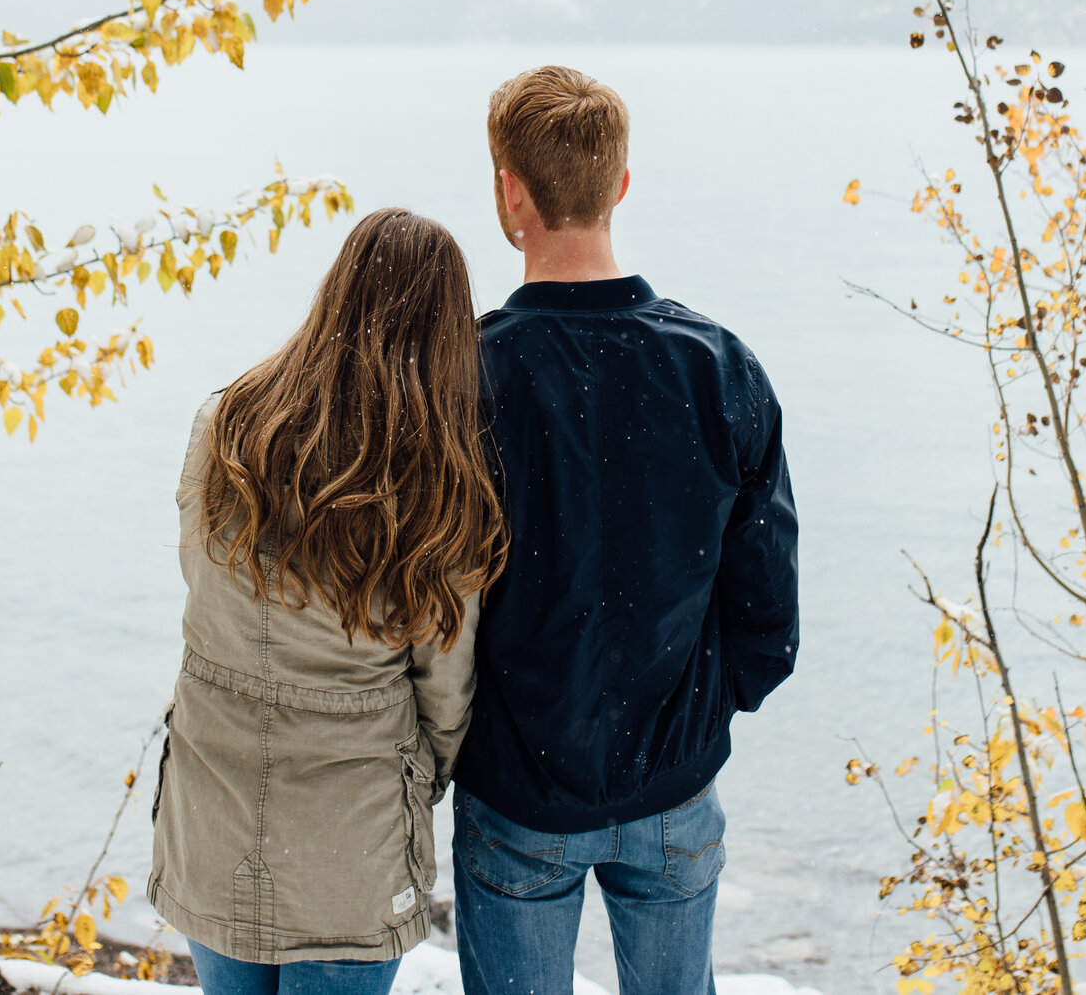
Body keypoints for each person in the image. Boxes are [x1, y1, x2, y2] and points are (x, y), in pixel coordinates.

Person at [453, 65, 799, 995]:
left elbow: (429, 597)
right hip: (674, 787)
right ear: (621, 185)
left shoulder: (465, 376)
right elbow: (769, 619)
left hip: (519, 787)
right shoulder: (720, 367)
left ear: (508, 192)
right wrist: (695, 714)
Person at [148, 208, 505, 995]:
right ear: (445, 331)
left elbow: (198, 580)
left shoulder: (227, 424)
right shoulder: (441, 480)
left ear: (336, 294)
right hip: (353, 825)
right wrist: (424, 773)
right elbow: (445, 685)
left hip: (214, 794)